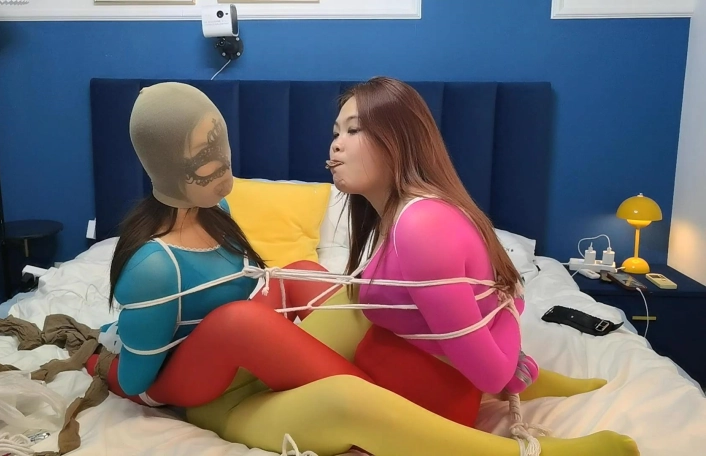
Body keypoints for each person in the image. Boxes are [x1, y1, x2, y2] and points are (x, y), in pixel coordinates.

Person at [86, 81, 639, 456]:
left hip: (241, 360)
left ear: (396, 141)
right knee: (269, 329)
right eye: (336, 132)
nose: (333, 147)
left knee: (309, 274)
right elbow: (141, 375)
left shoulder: (224, 214)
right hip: (217, 391)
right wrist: (102, 360)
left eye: (350, 131)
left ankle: (518, 382)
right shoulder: (156, 261)